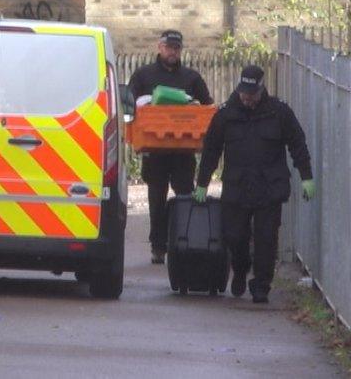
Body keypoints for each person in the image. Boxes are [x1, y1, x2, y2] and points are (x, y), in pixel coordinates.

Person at [194, 65, 314, 303]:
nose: (247, 99)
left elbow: (297, 143)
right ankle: (240, 269)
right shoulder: (226, 114)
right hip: (237, 188)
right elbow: (211, 149)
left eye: (252, 95)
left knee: (266, 239)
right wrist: (202, 182)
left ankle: (261, 286)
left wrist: (306, 175)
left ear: (261, 89)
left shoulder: (278, 112)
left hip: (269, 187)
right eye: (244, 94)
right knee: (235, 237)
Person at [128, 29, 213, 264]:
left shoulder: (191, 78)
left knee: (185, 197)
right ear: (159, 47)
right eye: (169, 47)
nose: (172, 52)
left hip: (183, 151)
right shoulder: (144, 75)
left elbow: (208, 108)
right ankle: (158, 247)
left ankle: (184, 243)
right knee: (156, 199)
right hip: (155, 151)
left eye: (176, 48)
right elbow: (130, 106)